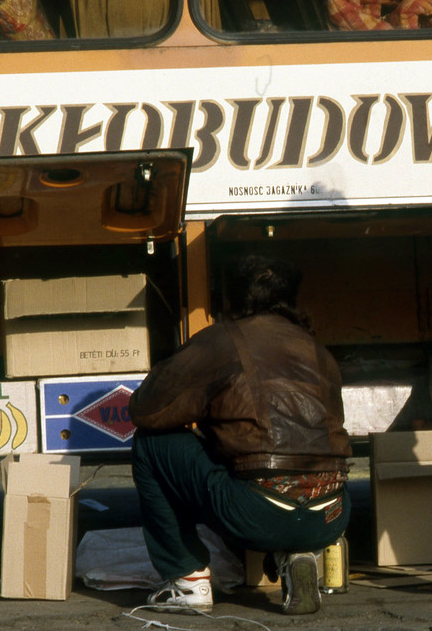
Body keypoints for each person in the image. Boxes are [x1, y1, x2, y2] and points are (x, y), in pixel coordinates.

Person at [129, 254, 352, 615]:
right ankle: (297, 551)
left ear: (230, 299)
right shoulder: (318, 349)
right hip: (331, 516)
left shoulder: (222, 340)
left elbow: (146, 410)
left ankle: (188, 580)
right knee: (269, 473)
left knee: (151, 443)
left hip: (257, 514)